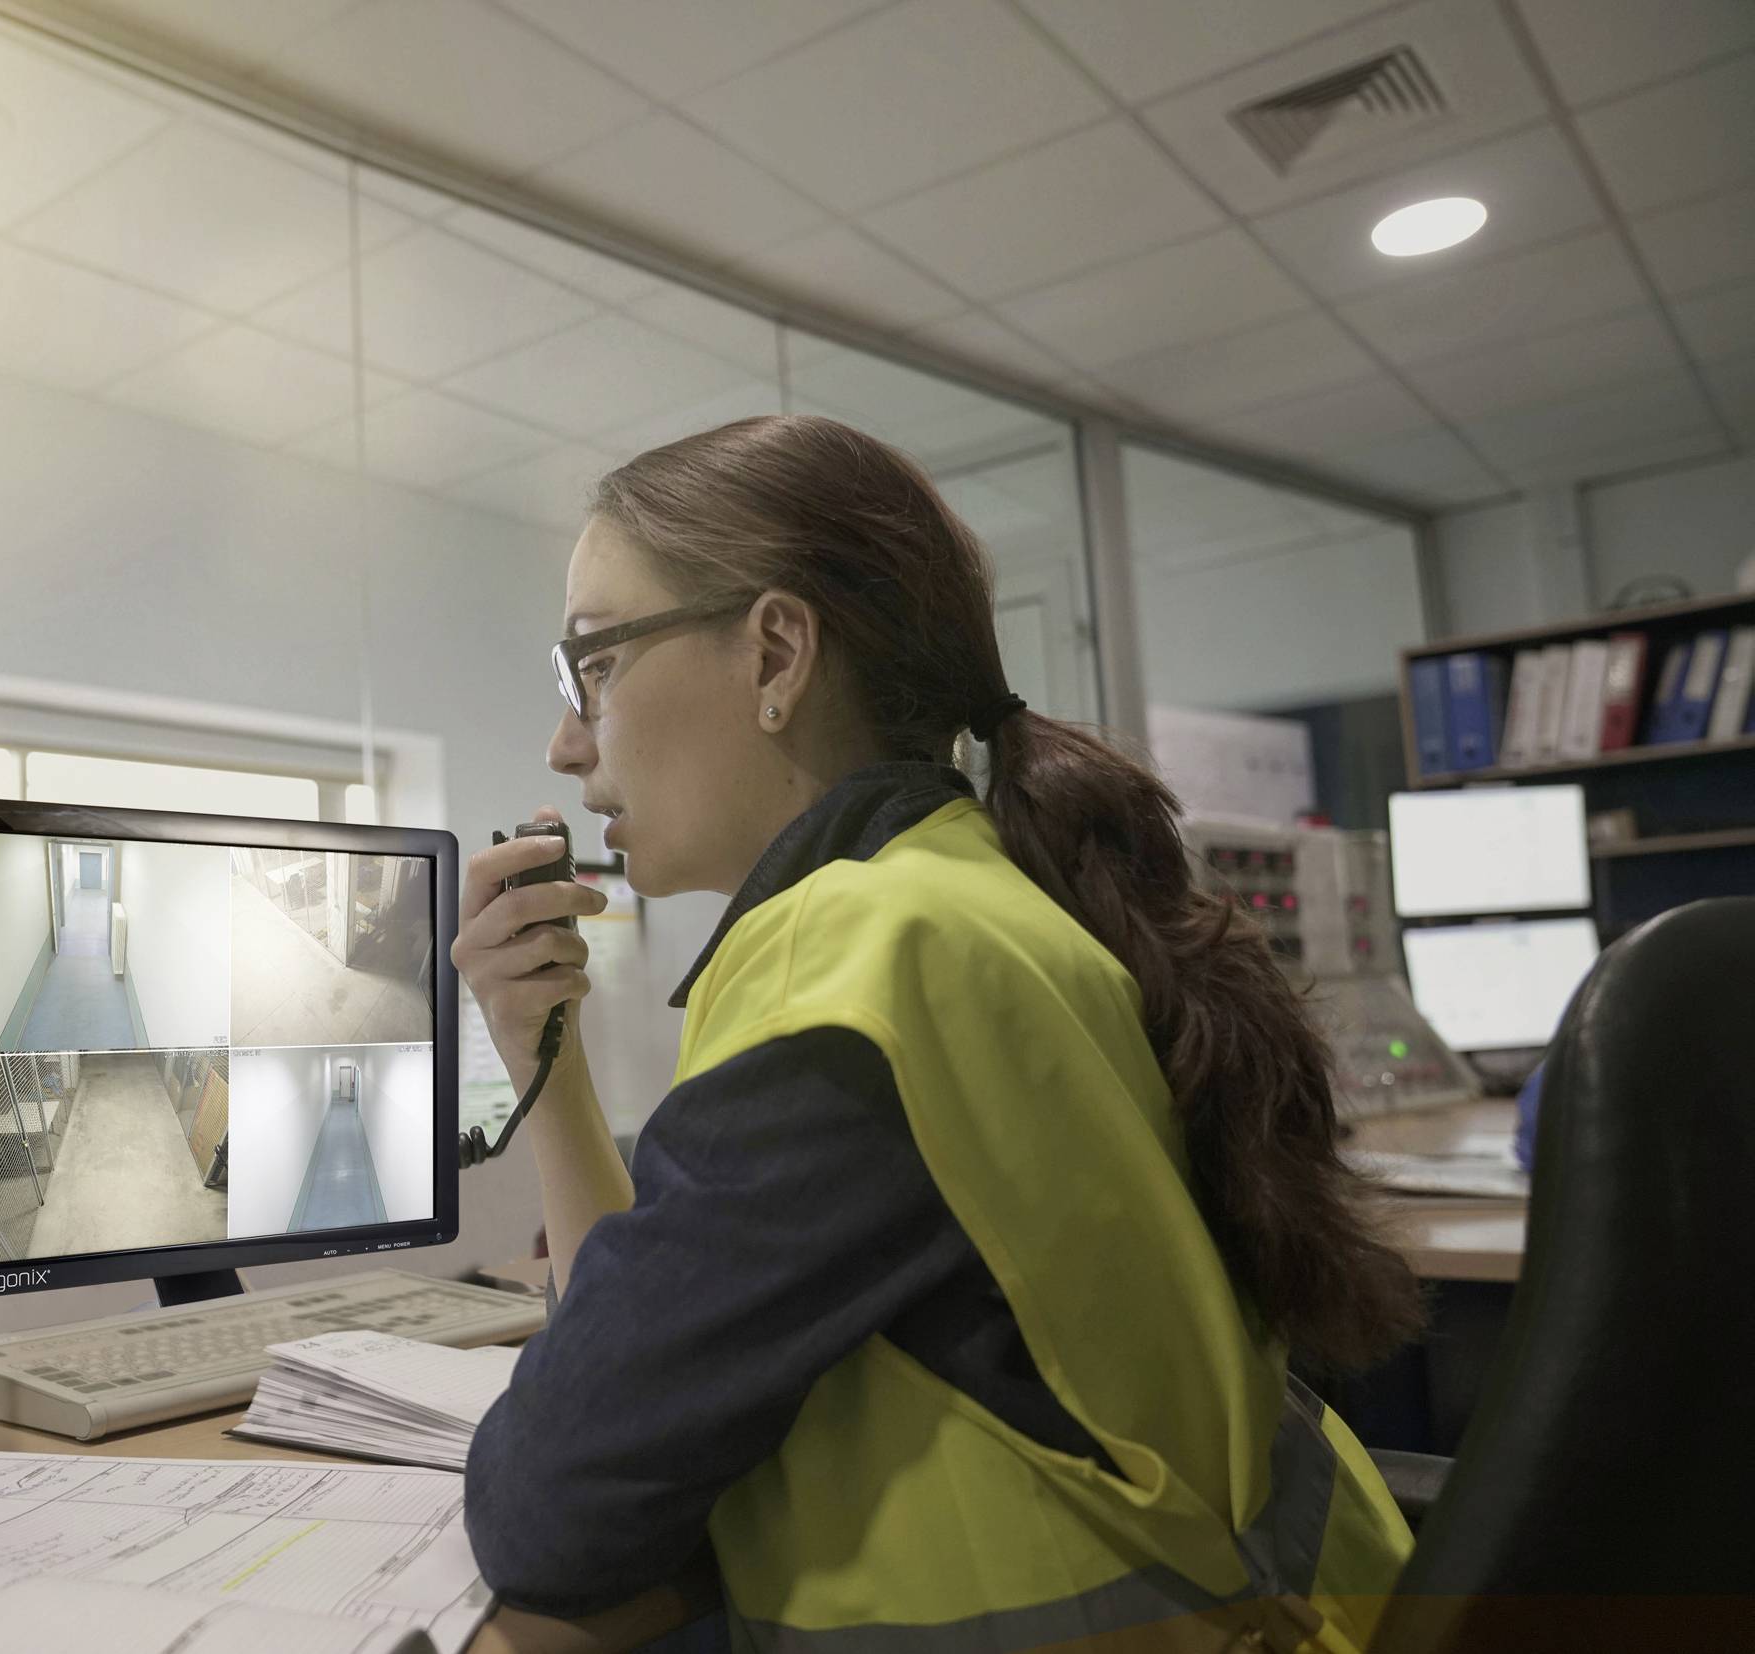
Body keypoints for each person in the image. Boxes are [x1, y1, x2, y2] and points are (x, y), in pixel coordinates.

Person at [454, 415, 1420, 1652]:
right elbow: (631, 1367)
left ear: (775, 655)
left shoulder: (847, 974)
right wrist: (542, 1048)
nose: (565, 738)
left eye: (594, 662)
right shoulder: (960, 898)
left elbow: (551, 1508)